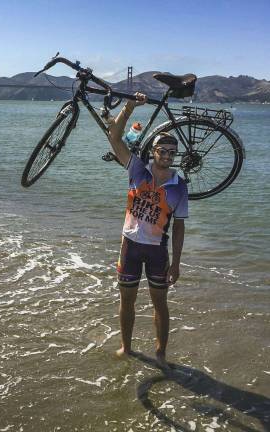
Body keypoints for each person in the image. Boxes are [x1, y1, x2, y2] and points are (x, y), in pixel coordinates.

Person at [107, 93, 188, 368]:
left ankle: (161, 354)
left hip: (157, 251)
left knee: (160, 304)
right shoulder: (137, 169)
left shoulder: (179, 185)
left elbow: (179, 227)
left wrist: (176, 262)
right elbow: (115, 138)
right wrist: (129, 106)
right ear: (153, 152)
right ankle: (126, 348)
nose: (166, 156)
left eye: (171, 153)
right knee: (126, 300)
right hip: (129, 245)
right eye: (162, 151)